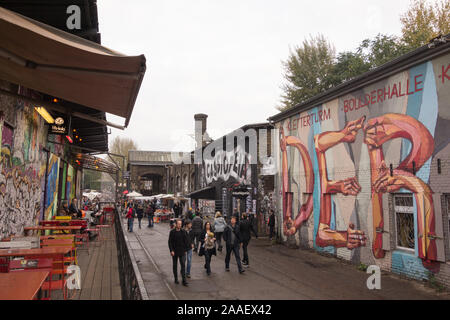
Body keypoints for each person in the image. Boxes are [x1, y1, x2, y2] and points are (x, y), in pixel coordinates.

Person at [168, 219, 189, 286]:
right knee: (175, 265)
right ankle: (176, 279)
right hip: (174, 251)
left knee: (183, 265)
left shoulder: (183, 231)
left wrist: (186, 249)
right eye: (179, 224)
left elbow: (186, 241)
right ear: (176, 224)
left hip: (182, 251)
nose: (180, 225)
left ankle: (184, 280)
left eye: (180, 224)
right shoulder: (172, 232)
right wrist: (171, 250)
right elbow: (170, 242)